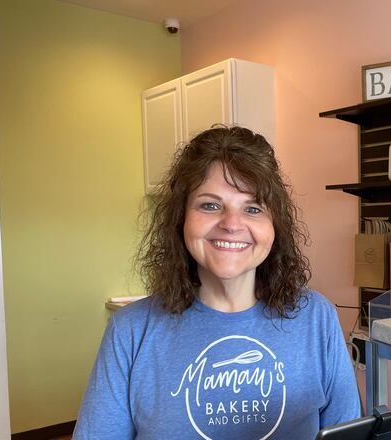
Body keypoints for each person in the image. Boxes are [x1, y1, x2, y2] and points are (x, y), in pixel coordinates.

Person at [74, 126, 361, 439]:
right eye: (210, 205)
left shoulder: (317, 318)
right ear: (181, 218)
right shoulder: (131, 331)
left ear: (274, 226)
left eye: (252, 208)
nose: (232, 224)